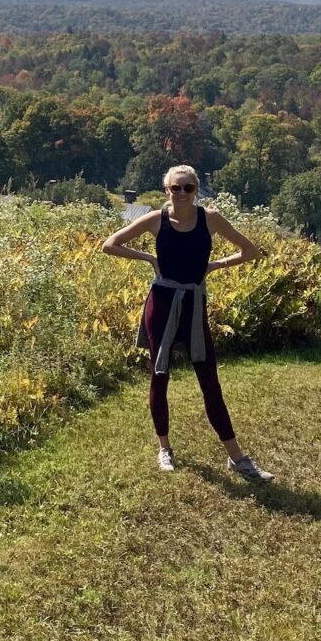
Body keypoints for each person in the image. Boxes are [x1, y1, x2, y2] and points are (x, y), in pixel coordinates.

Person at [102, 164, 274, 480]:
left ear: (196, 190)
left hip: (194, 304)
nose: (181, 194)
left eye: (188, 188)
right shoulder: (156, 219)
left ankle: (237, 458)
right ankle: (164, 448)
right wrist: (150, 259)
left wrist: (215, 266)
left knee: (209, 380)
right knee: (160, 374)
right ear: (167, 190)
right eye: (175, 188)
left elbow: (249, 251)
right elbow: (109, 244)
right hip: (162, 303)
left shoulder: (210, 219)